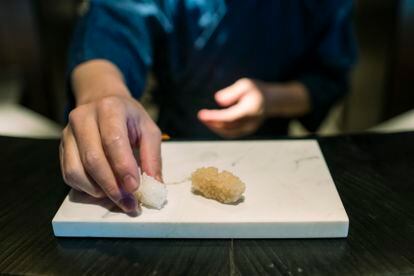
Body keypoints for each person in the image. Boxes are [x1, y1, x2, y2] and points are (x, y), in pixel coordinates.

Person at [60, 0, 357, 213]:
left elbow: (329, 78)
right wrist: (103, 94)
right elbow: (111, 27)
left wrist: (274, 100)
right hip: (169, 141)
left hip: (274, 148)